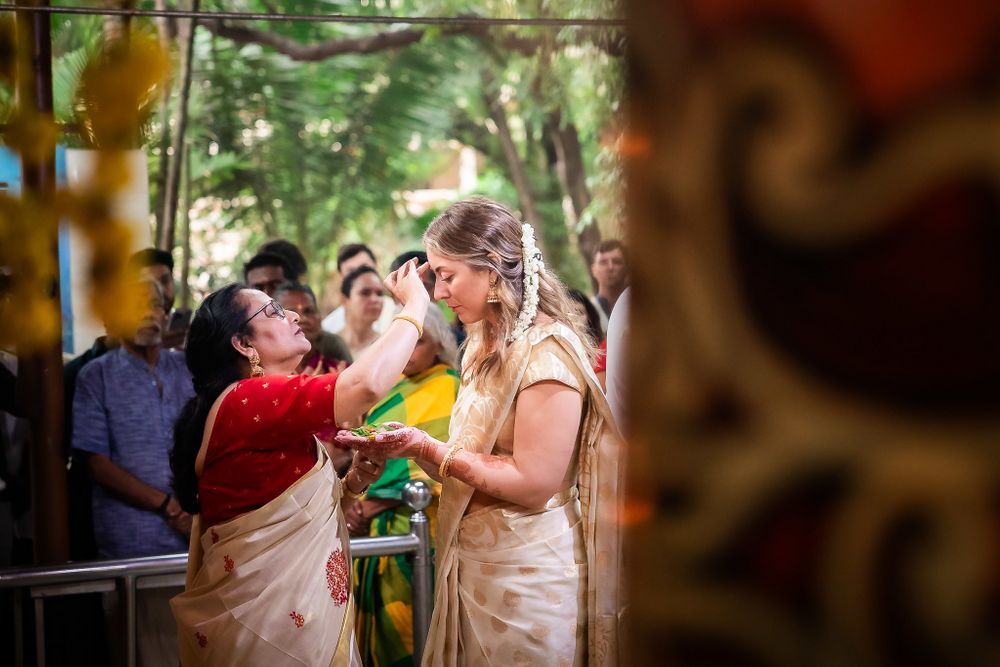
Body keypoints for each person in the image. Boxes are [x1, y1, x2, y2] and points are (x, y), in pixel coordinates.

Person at [336, 197, 624, 666]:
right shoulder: (481, 344)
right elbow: (468, 460)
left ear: (492, 270)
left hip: (529, 582)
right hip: (477, 567)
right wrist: (412, 446)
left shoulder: (546, 356)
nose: (440, 291)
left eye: (446, 275)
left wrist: (428, 446)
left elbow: (534, 483)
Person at [168, 259, 431, 666]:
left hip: (294, 623)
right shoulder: (245, 401)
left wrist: (357, 478)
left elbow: (302, 516)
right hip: (271, 632)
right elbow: (365, 384)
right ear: (243, 343)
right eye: (273, 310)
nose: (291, 314)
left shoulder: (260, 410)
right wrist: (414, 306)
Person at [72, 279, 194, 667]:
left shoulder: (187, 367)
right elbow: (96, 463)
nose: (147, 312)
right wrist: (168, 506)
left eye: (155, 304)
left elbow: (208, 441)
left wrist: (194, 506)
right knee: (141, 651)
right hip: (131, 546)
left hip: (192, 540)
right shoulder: (96, 376)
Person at [350, 306, 460, 667]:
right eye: (403, 342)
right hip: (372, 527)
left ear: (439, 344)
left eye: (420, 341)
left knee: (413, 627)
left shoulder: (447, 384)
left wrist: (375, 504)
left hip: (418, 527)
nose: (410, 351)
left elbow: (440, 464)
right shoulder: (389, 387)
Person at [274, 282, 352, 373]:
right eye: (291, 312)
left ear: (319, 317)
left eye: (308, 311)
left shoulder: (341, 371)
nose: (302, 319)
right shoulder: (263, 372)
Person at [321, 243, 394, 335]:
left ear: (376, 267)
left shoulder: (398, 314)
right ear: (341, 278)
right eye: (352, 272)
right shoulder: (329, 329)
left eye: (365, 268)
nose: (361, 277)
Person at [129, 248, 189, 349]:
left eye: (165, 281)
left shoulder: (189, 335)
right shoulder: (123, 342)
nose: (160, 290)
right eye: (151, 284)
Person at [336, 266, 385, 358]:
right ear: (344, 300)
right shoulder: (328, 346)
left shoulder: (387, 346)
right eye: (365, 293)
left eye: (379, 293)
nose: (375, 299)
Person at [568, 287, 607, 387]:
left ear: (589, 317)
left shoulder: (603, 349)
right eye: (568, 312)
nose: (574, 317)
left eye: (579, 312)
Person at [589, 239, 628, 334]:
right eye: (603, 262)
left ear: (627, 267)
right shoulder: (587, 312)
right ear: (594, 270)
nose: (610, 267)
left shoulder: (640, 306)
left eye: (617, 261)